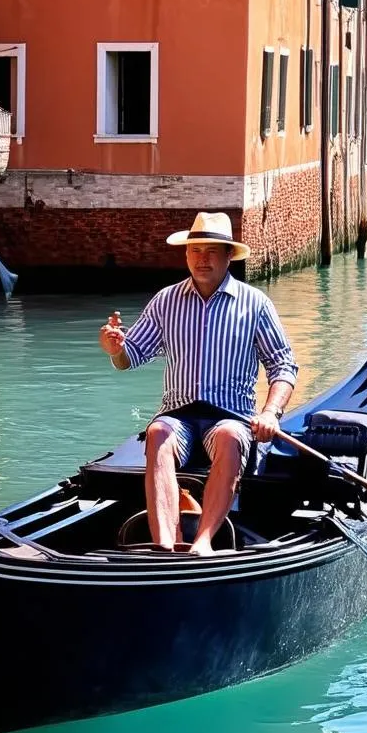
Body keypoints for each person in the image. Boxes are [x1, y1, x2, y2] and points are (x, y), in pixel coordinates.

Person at [98, 212, 298, 556]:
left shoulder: (255, 304)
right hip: (179, 417)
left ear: (227, 256)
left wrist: (271, 413)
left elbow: (283, 365)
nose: (201, 259)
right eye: (195, 251)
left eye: (210, 252)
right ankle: (165, 544)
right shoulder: (166, 301)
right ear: (186, 255)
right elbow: (132, 355)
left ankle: (203, 542)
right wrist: (115, 349)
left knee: (231, 436)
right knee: (157, 432)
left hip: (230, 416)